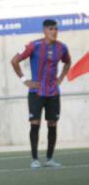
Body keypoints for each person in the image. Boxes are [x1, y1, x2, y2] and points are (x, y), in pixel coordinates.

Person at [10, 19, 72, 168]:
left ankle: (50, 159)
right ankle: (34, 159)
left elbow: (68, 61)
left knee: (52, 124)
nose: (54, 32)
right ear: (44, 30)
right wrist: (25, 80)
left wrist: (61, 78)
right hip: (36, 91)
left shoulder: (62, 47)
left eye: (56, 29)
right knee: (35, 123)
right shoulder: (34, 46)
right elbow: (14, 60)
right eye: (51, 29)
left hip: (53, 92)